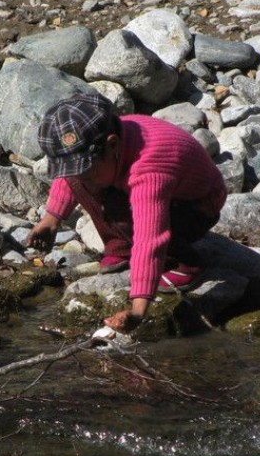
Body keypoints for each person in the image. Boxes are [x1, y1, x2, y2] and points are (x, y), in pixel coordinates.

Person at [27, 93, 228, 333]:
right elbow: (69, 177)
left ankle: (188, 263)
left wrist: (138, 309)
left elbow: (150, 236)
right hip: (146, 186)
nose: (82, 179)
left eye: (87, 171)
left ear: (112, 145)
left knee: (129, 212)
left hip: (196, 205)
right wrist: (51, 220)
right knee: (80, 182)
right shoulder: (104, 145)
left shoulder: (149, 167)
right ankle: (120, 247)